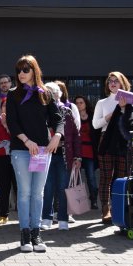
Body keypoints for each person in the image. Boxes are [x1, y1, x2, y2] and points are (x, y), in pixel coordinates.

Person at [6, 55, 63, 253]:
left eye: (25, 70)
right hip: (22, 150)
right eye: (19, 70)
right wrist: (26, 140)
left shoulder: (45, 94)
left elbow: (58, 119)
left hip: (42, 151)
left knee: (38, 193)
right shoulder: (13, 94)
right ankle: (24, 234)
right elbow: (12, 123)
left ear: (34, 71)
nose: (21, 74)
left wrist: (57, 136)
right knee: (25, 193)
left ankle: (36, 234)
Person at [93, 72, 133, 223]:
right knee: (106, 178)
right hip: (106, 140)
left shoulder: (131, 102)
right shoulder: (102, 102)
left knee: (122, 177)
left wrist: (124, 108)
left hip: (124, 141)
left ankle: (118, 208)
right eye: (110, 81)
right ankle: (105, 209)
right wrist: (111, 114)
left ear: (122, 84)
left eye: (116, 81)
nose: (112, 83)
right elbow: (95, 124)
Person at [41, 82, 80, 231]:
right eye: (49, 92)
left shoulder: (67, 111)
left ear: (59, 94)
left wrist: (78, 157)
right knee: (48, 187)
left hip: (65, 154)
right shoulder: (42, 111)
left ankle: (63, 219)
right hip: (46, 154)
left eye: (55, 92)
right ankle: (46, 218)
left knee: (63, 188)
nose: (52, 95)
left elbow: (76, 136)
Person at [74, 95, 100, 209]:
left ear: (85, 104)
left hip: (89, 150)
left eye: (81, 102)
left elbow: (97, 134)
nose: (79, 105)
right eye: (77, 103)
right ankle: (77, 201)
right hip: (77, 151)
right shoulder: (73, 116)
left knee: (90, 176)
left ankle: (93, 199)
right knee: (75, 176)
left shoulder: (93, 116)